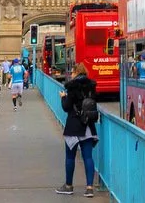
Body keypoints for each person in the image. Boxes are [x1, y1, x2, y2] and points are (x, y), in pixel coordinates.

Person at [57, 63, 100, 197]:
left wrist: (63, 97)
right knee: (88, 157)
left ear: (76, 72)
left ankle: (69, 186)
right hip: (88, 125)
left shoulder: (72, 87)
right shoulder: (91, 86)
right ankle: (89, 188)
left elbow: (67, 107)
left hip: (74, 126)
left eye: (72, 72)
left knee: (70, 156)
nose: (71, 74)